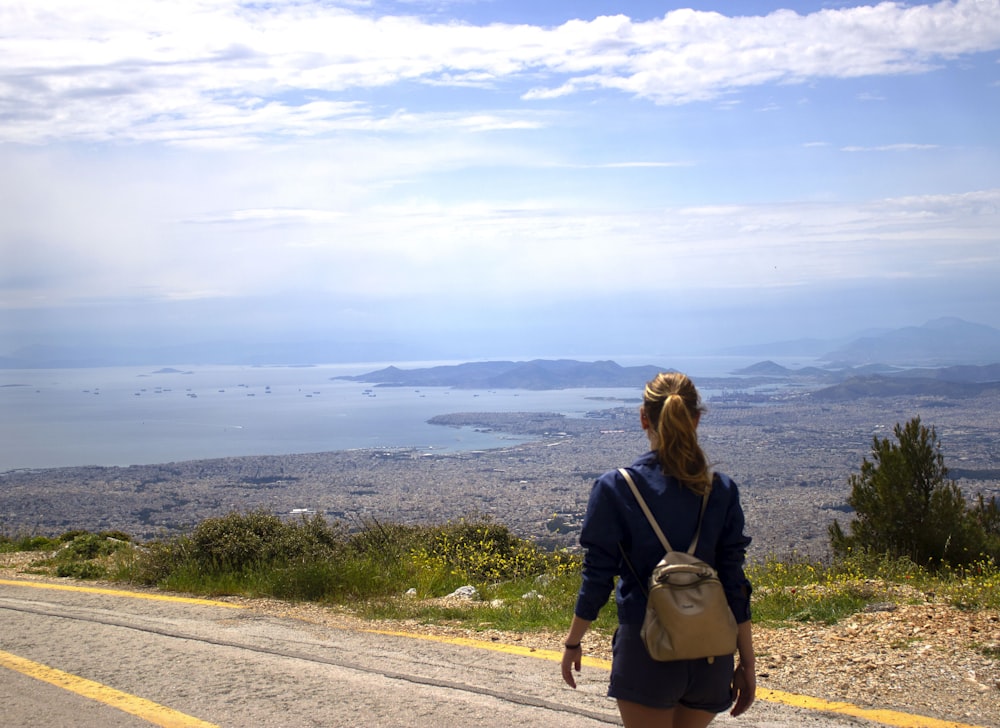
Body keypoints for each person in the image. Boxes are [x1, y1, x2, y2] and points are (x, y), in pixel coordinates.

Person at [561, 372, 755, 727]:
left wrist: (573, 642)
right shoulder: (721, 489)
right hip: (713, 652)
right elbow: (734, 582)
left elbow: (597, 576)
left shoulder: (616, 488)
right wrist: (748, 662)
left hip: (647, 650)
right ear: (696, 418)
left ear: (643, 418)